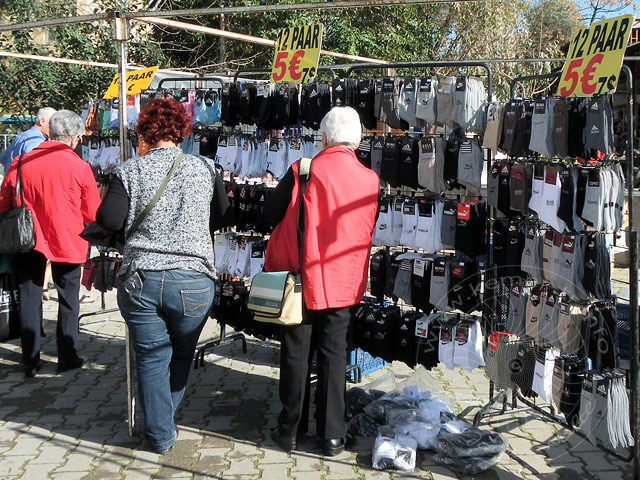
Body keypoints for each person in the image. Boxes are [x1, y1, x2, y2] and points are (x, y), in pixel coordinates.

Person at [96, 97, 230, 454]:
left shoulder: (129, 171)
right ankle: (160, 423)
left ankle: (158, 431)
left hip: (142, 278)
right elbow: (222, 215)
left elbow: (108, 220)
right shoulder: (205, 168)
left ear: (144, 131)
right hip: (193, 278)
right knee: (181, 355)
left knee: (152, 357)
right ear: (181, 131)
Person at [263, 106, 379, 456]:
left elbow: (269, 214)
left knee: (296, 354)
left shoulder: (303, 170)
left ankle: (290, 431)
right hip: (344, 280)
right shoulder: (371, 180)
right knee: (334, 356)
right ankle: (332, 437)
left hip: (301, 276)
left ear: (324, 137)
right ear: (358, 140)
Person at [0, 110, 101, 378]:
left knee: (30, 297)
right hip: (66, 238)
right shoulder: (79, 166)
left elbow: (5, 203)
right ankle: (67, 357)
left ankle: (29, 360)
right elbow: (92, 212)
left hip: (28, 239)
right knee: (68, 298)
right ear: (72, 138)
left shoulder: (20, 162)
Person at [0, 107, 57, 174]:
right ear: (42, 121)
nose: (55, 128)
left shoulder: (21, 136)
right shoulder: (36, 142)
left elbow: (3, 158)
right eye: (52, 124)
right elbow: (34, 169)